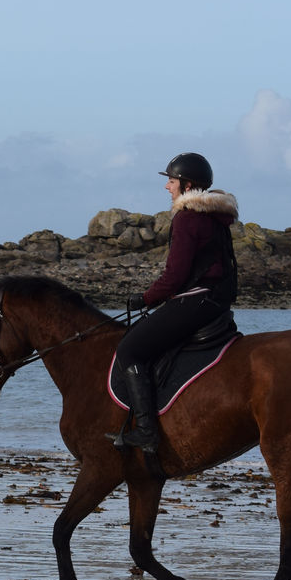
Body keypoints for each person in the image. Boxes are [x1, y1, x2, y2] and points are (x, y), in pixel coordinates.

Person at [106, 152, 239, 453]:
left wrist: (145, 299)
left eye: (171, 180)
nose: (167, 187)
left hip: (197, 301)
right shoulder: (214, 216)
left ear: (187, 184)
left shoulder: (188, 218)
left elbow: (175, 276)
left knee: (130, 348)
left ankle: (147, 432)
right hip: (215, 302)